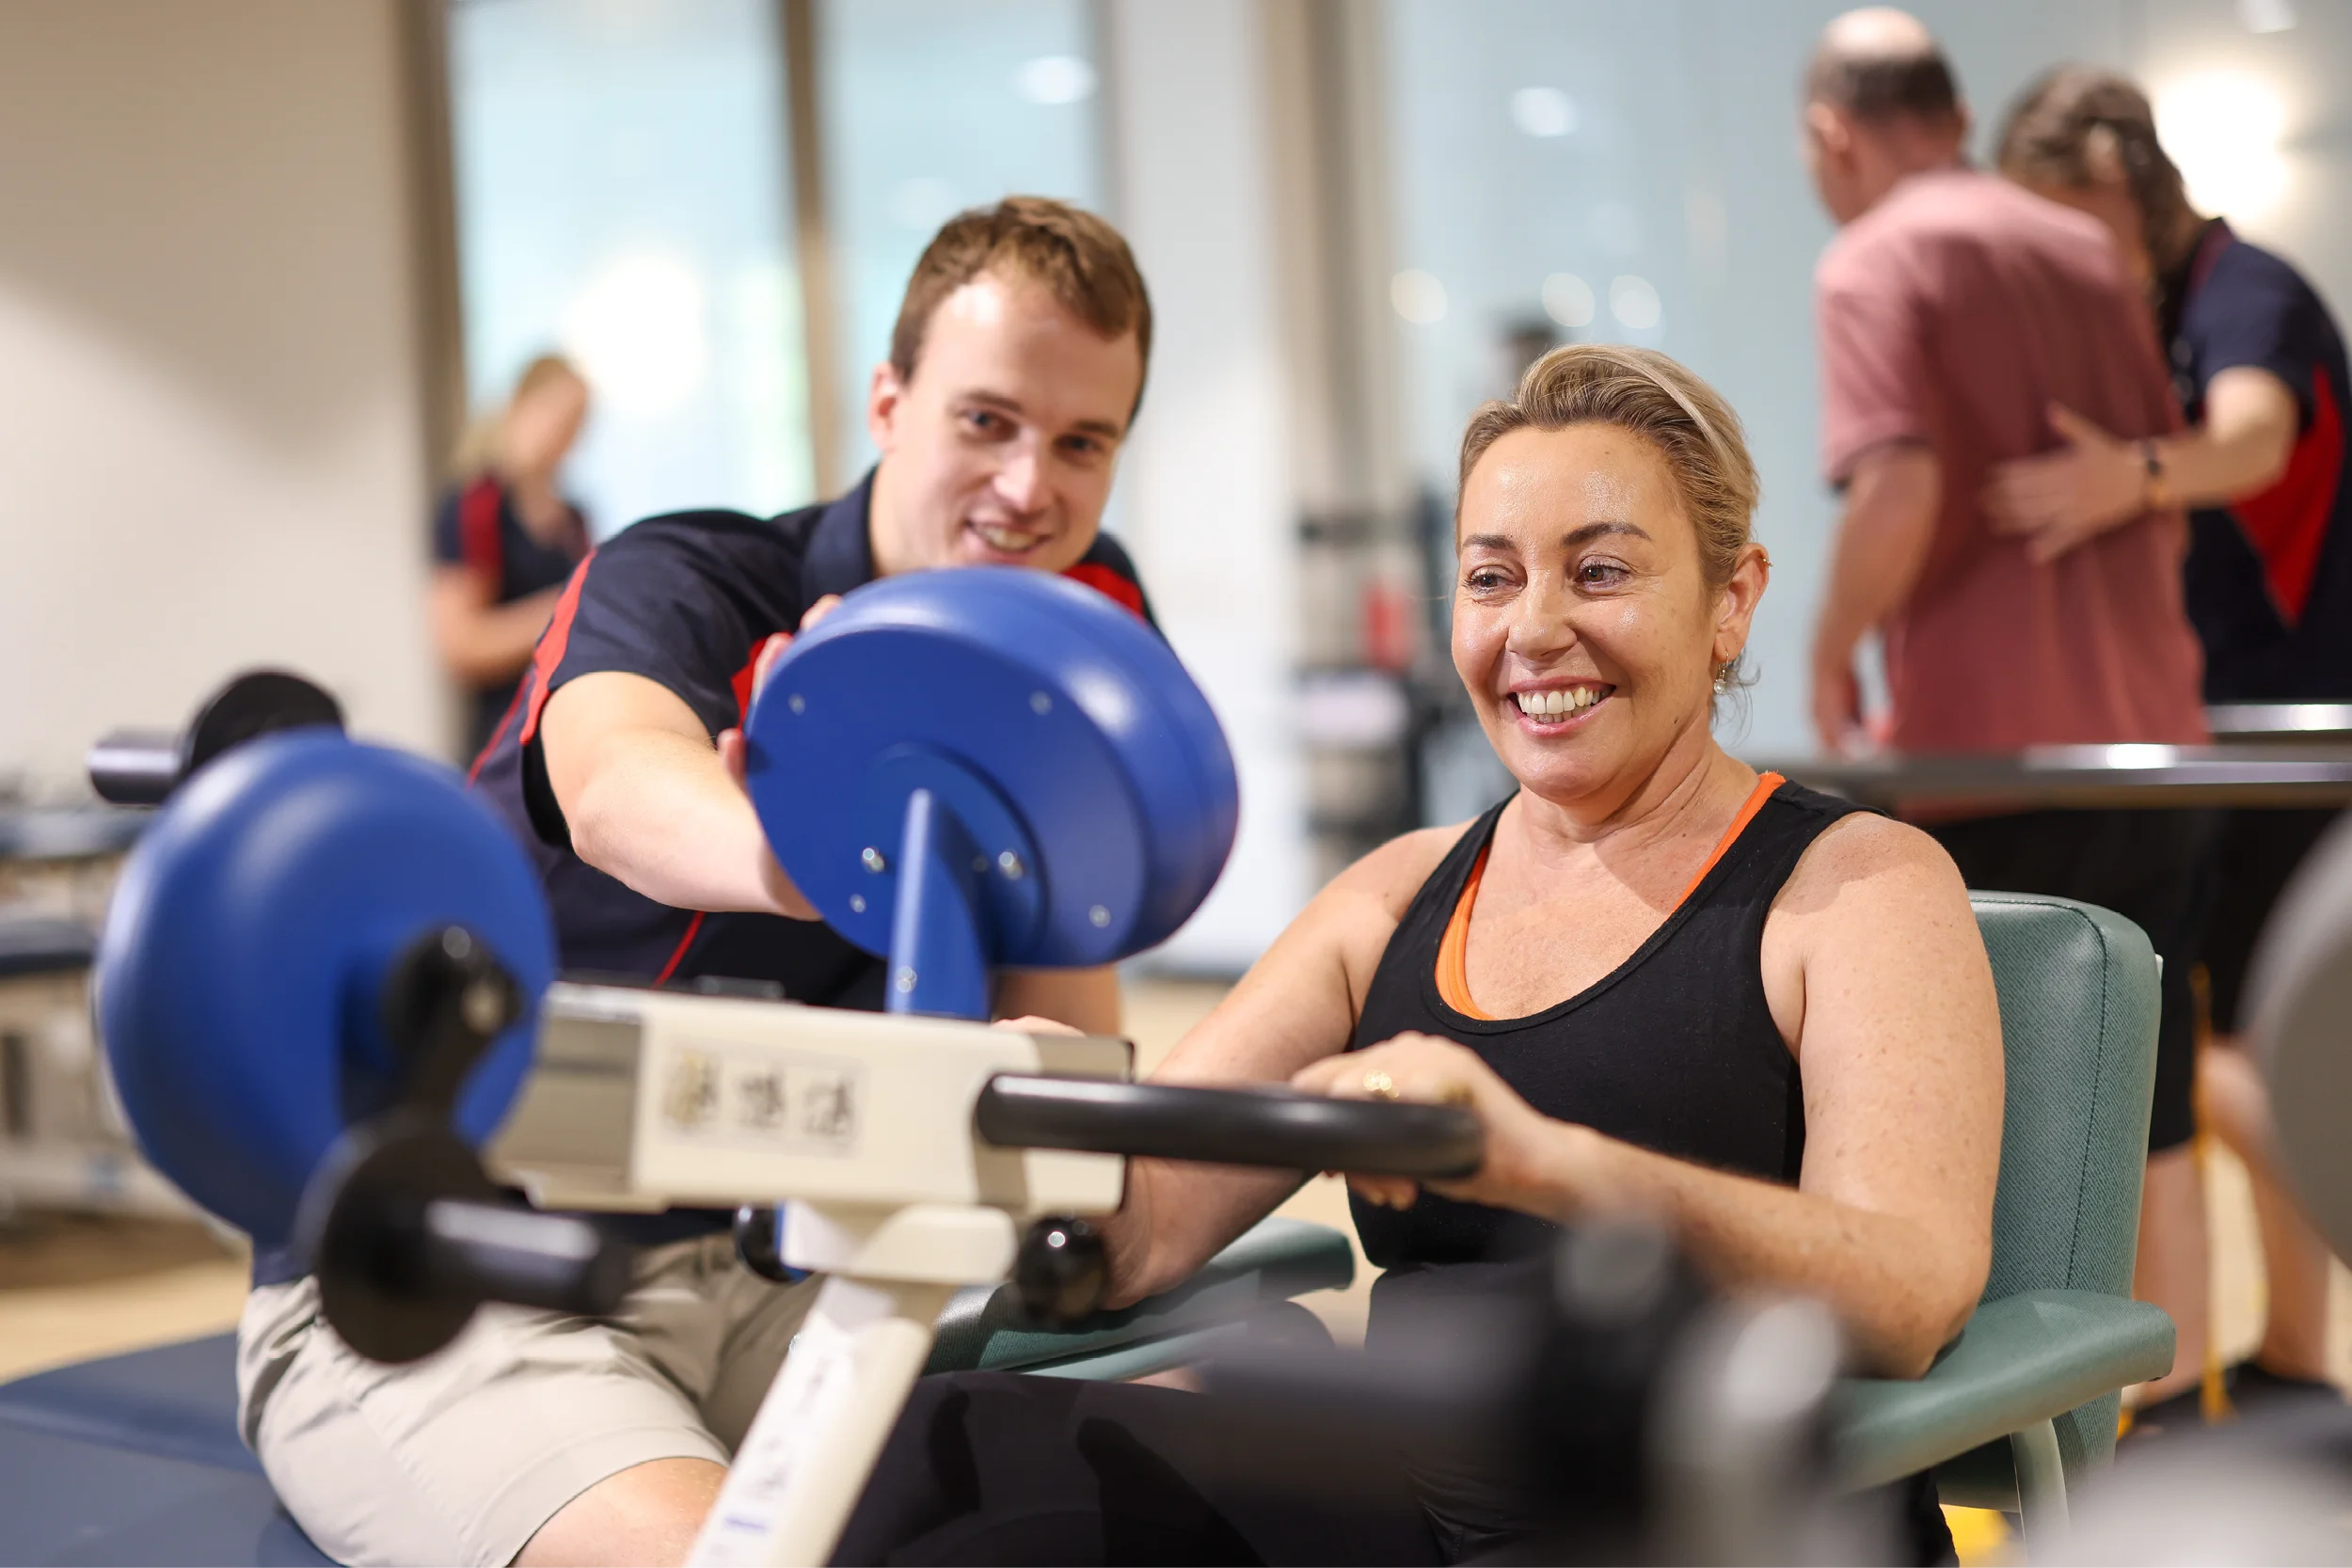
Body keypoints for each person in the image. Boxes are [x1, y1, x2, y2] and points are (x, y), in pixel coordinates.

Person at [829, 344, 2003, 1568]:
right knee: (927, 1450)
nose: (1535, 628)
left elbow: (1907, 1291)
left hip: (1688, 1519)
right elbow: (1155, 1215)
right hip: (1397, 1507)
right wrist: (1050, 1126)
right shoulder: (1394, 898)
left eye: (1600, 570)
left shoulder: (1854, 883)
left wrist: (1545, 1163)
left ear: (1732, 598)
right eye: (1491, 577)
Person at [235, 198, 1161, 1568]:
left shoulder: (1087, 612)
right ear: (889, 401)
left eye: (1082, 441)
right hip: (461, 1260)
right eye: (987, 420)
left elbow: (1059, 1012)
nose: (1033, 487)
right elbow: (616, 787)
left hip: (792, 1265)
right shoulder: (691, 576)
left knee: (1188, 1456)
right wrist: (817, 838)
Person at [1798, 8, 2217, 1413]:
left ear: (1832, 133)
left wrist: (1830, 640)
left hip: (1990, 760)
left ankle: (2024, 1449)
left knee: (2003, 1134)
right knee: (2154, 1111)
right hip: (2153, 738)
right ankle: (2177, 1428)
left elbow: (1902, 483)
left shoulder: (1872, 256)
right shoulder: (2084, 249)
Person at [1989, 68, 2352, 1428]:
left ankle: (2304, 1344)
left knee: (2241, 1053)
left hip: (2290, 739)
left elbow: (2253, 438)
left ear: (2125, 191)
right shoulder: (2135, 319)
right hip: (2210, 735)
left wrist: (2128, 475)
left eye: (2067, 222)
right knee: (2222, 1043)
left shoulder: (2239, 291)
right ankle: (2304, 1351)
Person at [430, 355, 594, 759]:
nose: (565, 436)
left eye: (576, 424)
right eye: (559, 417)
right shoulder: (476, 508)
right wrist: (561, 608)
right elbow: (461, 645)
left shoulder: (573, 520)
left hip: (566, 735)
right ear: (520, 406)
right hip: (500, 743)